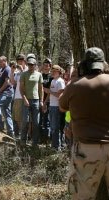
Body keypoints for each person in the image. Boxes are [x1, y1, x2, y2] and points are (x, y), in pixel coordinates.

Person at [59, 47, 109, 199]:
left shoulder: (75, 86)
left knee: (81, 196)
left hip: (86, 150)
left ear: (85, 65)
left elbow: (62, 106)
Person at [19, 56, 44, 147]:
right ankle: (23, 141)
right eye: (29, 64)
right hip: (26, 100)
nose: (30, 66)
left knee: (36, 122)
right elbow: (21, 89)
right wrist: (24, 99)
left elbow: (41, 89)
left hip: (36, 100)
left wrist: (41, 100)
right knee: (25, 121)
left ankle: (35, 142)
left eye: (32, 65)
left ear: (35, 65)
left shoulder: (39, 74)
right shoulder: (24, 74)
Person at [0, 56, 15, 137]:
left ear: (5, 61)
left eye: (0, 62)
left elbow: (7, 82)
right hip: (4, 92)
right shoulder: (1, 70)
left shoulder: (7, 69)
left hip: (7, 92)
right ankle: (10, 131)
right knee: (6, 111)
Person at [45, 65, 65, 150]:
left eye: (54, 71)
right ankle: (54, 145)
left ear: (59, 72)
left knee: (56, 127)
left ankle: (57, 147)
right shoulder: (53, 81)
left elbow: (60, 95)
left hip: (57, 107)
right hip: (52, 106)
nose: (52, 72)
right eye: (52, 71)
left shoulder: (60, 81)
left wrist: (49, 91)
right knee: (53, 127)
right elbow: (50, 94)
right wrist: (45, 103)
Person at [11, 54, 27, 138]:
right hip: (16, 96)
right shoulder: (17, 72)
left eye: (21, 60)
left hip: (24, 96)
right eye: (18, 61)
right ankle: (20, 133)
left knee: (23, 117)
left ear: (25, 61)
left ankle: (23, 134)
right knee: (16, 117)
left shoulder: (28, 70)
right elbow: (13, 82)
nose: (20, 62)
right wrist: (12, 71)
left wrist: (22, 70)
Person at [39, 58, 53, 144]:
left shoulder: (51, 77)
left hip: (47, 101)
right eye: (44, 65)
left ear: (50, 66)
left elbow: (49, 91)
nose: (45, 66)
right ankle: (41, 139)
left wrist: (44, 103)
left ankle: (47, 139)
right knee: (39, 120)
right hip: (39, 100)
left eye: (47, 65)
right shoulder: (39, 75)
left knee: (46, 121)